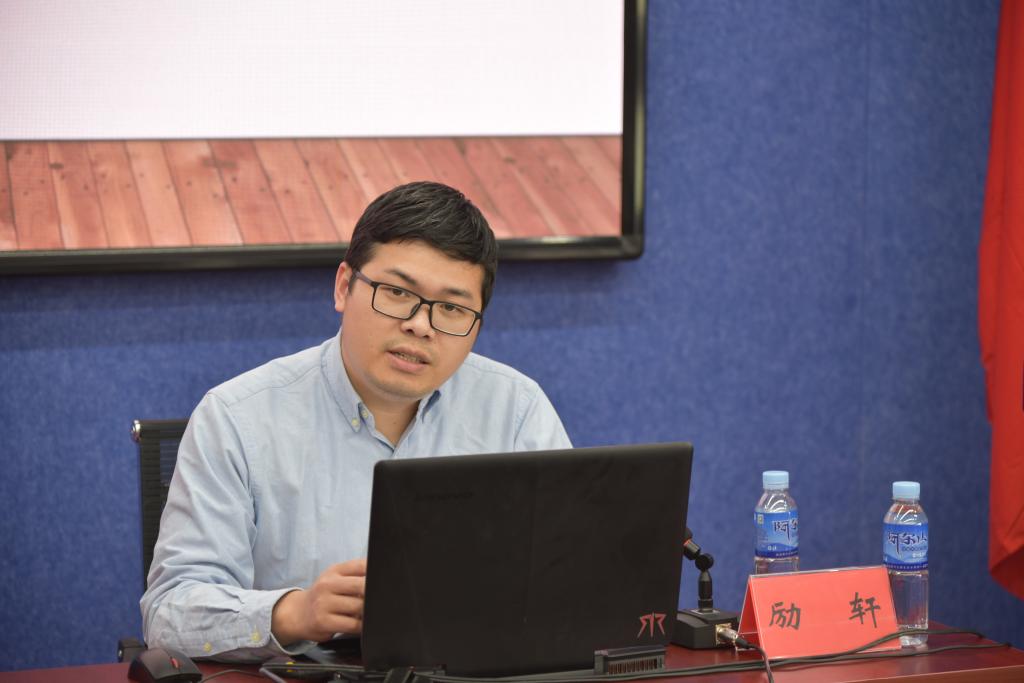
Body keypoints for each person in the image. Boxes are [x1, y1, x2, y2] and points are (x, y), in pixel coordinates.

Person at [140, 181, 571, 661]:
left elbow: (573, 577)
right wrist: (294, 613)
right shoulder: (236, 417)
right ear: (344, 286)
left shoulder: (516, 410)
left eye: (451, 308)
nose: (420, 325)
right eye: (397, 292)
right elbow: (168, 613)